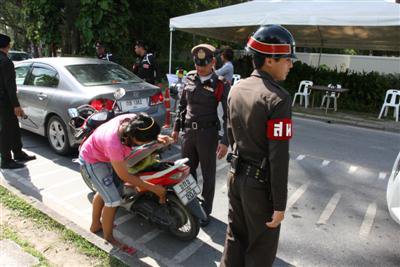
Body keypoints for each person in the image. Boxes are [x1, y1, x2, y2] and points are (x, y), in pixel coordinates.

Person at [220, 25, 296, 267]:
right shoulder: (278, 98)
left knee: (234, 241)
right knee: (260, 252)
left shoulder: (236, 88)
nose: (290, 65)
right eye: (287, 59)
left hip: (236, 176)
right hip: (260, 188)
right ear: (270, 60)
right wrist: (280, 204)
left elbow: (231, 135)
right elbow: (279, 156)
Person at [79, 112, 170, 253]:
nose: (146, 144)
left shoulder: (134, 121)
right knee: (113, 201)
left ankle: (96, 225)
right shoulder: (113, 144)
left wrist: (155, 137)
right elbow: (126, 176)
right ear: (133, 137)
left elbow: (143, 132)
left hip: (105, 156)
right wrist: (154, 188)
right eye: (144, 142)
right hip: (93, 160)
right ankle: (109, 238)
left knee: (105, 192)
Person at [171, 44, 230, 227]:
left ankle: (205, 211)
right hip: (188, 133)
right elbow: (181, 106)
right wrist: (176, 128)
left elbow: (229, 115)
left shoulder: (221, 83)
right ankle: (191, 205)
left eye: (203, 64)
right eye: (197, 63)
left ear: (213, 62)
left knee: (208, 174)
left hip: (208, 134)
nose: (199, 67)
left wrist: (225, 141)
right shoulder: (189, 78)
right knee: (186, 171)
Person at [0, 33, 36, 169]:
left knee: (13, 127)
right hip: (5, 102)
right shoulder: (5, 61)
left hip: (3, 100)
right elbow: (10, 86)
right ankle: (6, 160)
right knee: (6, 130)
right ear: (7, 45)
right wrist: (16, 105)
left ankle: (18, 152)